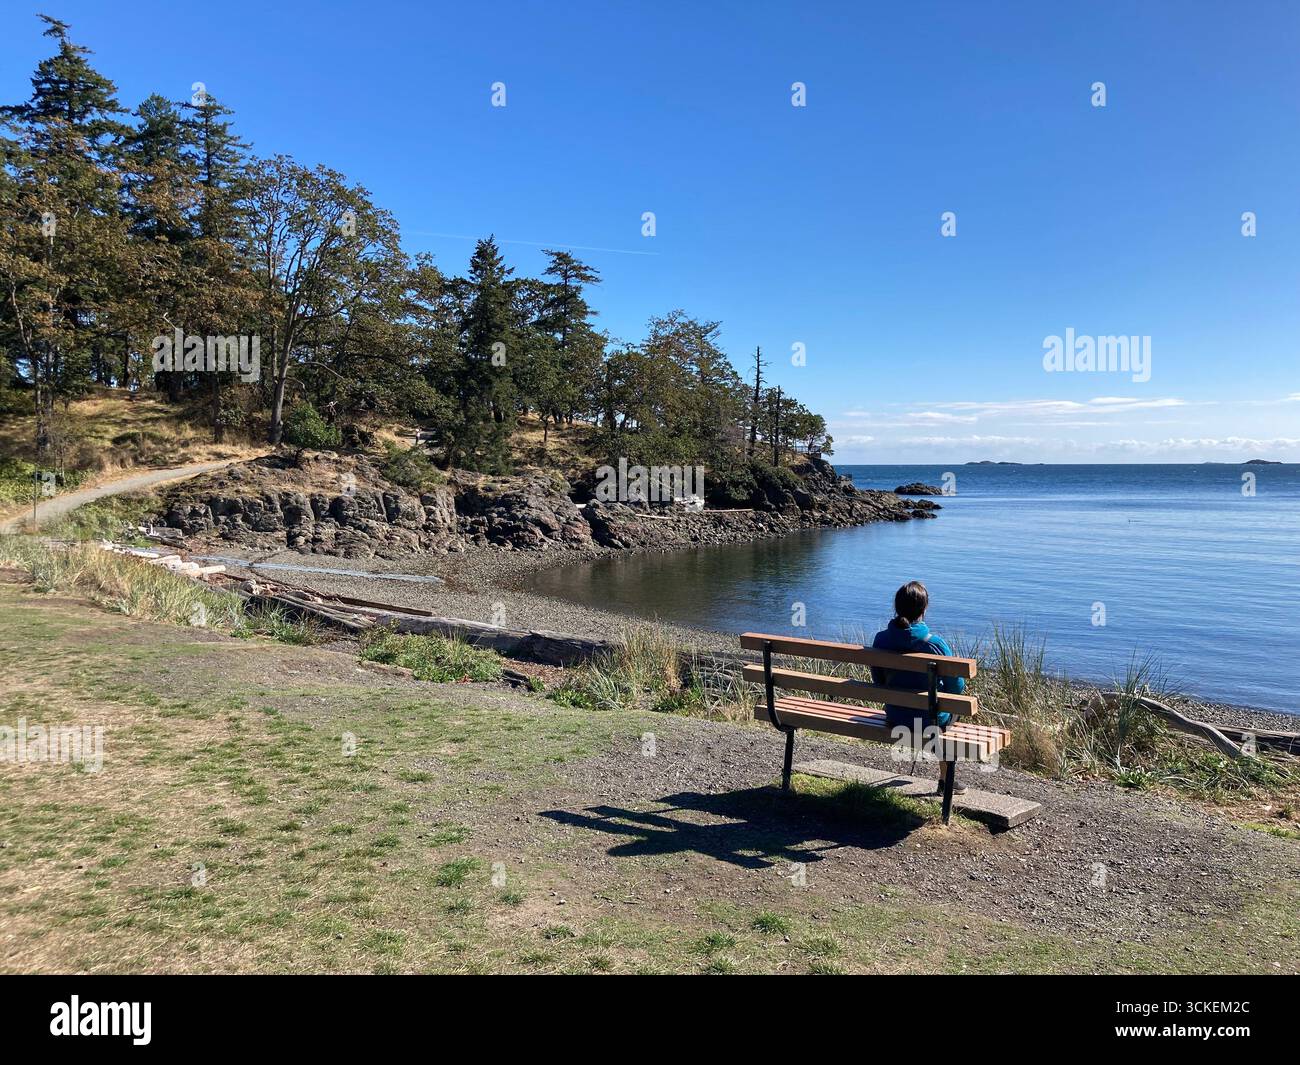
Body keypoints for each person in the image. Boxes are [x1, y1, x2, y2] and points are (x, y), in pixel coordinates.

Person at [871, 580, 967, 793]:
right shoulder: (935, 644)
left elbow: (878, 681)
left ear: (896, 608)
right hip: (927, 721)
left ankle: (944, 778)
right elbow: (957, 687)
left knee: (941, 710)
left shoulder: (880, 640)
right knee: (953, 710)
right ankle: (945, 780)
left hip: (895, 714)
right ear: (924, 609)